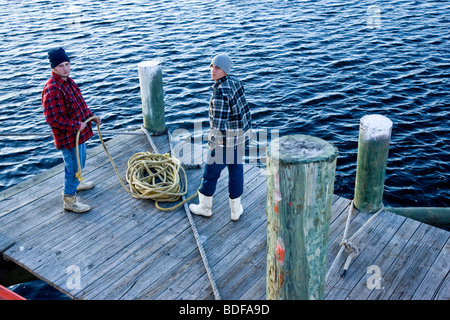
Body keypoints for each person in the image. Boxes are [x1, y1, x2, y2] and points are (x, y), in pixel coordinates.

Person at [189, 54, 252, 221]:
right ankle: (235, 211)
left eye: (217, 67)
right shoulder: (236, 83)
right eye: (211, 66)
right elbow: (244, 111)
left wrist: (212, 144)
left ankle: (204, 207)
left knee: (210, 174)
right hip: (240, 138)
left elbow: (217, 124)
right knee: (236, 172)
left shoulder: (219, 93)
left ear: (225, 70)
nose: (213, 70)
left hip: (224, 142)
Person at [42, 47, 100, 213]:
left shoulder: (68, 81)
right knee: (72, 166)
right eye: (61, 65)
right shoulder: (52, 89)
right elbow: (53, 119)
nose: (66, 68)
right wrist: (75, 126)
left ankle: (78, 182)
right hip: (68, 138)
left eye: (67, 64)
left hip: (78, 135)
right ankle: (69, 199)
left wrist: (92, 116)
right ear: (53, 67)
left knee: (81, 160)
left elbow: (80, 106)